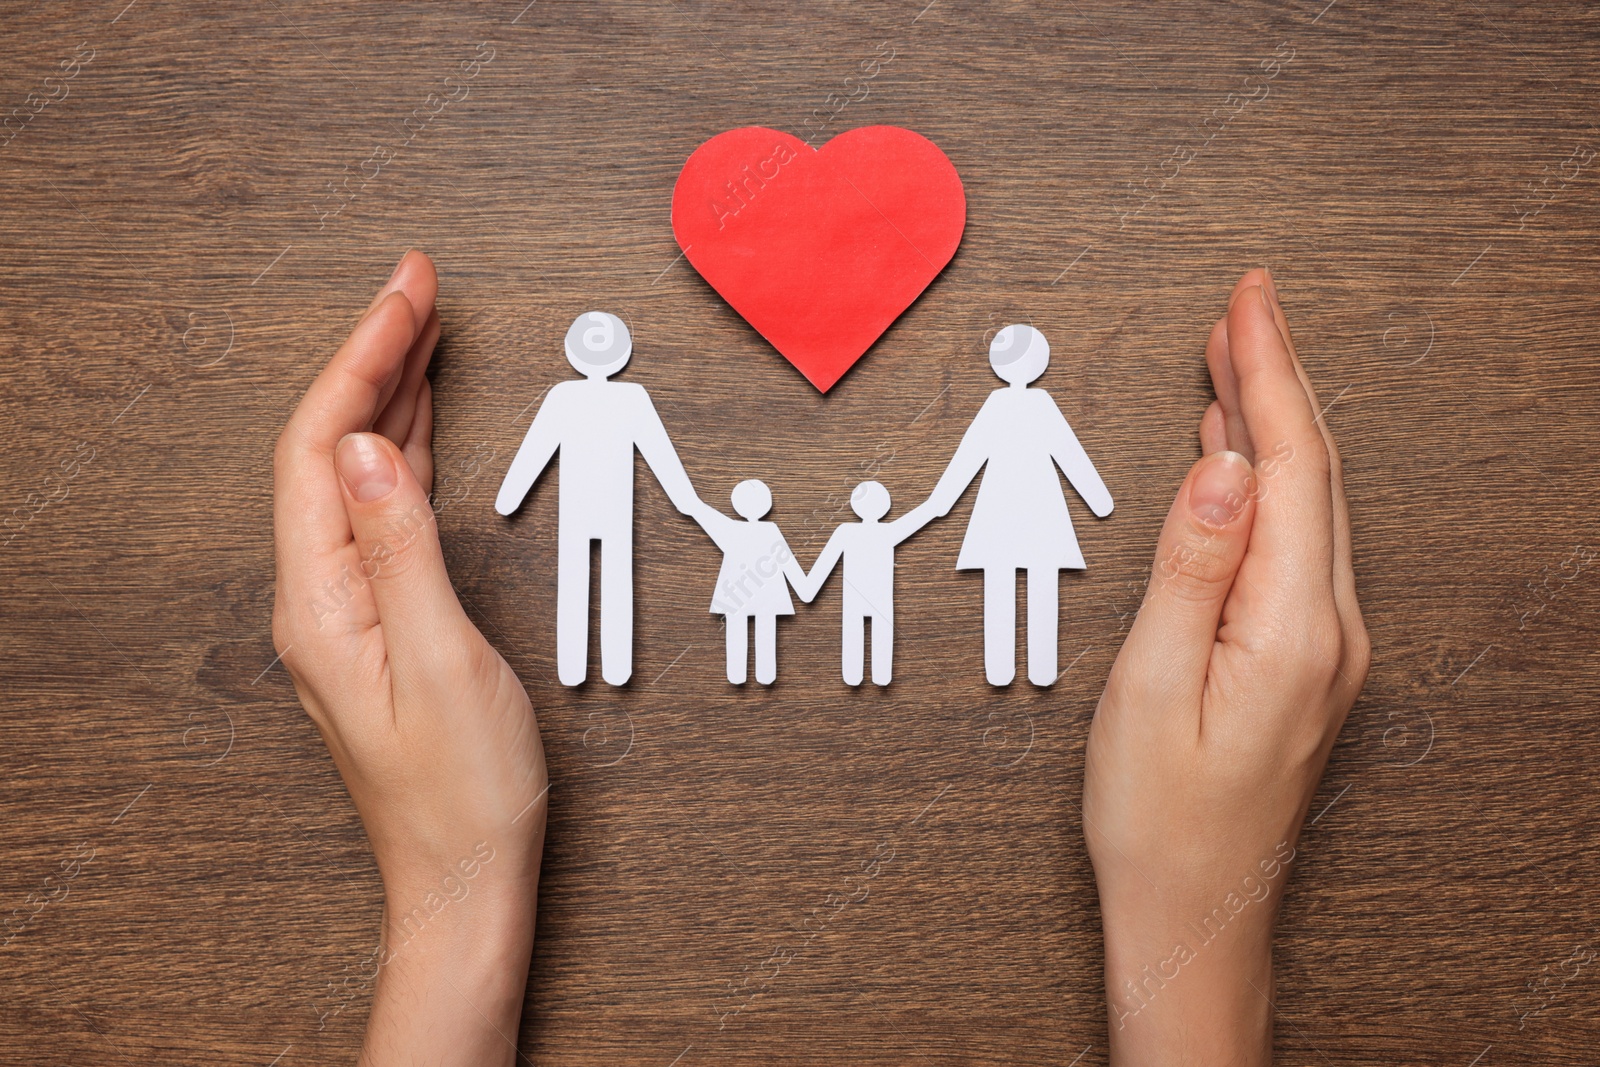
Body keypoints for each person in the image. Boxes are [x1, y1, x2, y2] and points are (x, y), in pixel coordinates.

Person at [271, 252, 1367, 1066]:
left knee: (995, 615)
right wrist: (1198, 940)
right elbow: (614, 470)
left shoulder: (659, 408)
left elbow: (675, 471)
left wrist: (453, 900)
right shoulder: (579, 400)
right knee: (599, 592)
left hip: (968, 531)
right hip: (644, 524)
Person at [495, 310, 702, 686]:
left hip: (583, 507)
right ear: (620, 355)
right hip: (612, 507)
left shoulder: (565, 396)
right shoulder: (631, 397)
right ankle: (613, 668)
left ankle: (580, 669)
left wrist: (510, 497)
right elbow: (660, 454)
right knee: (616, 578)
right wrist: (685, 500)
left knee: (576, 577)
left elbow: (536, 450)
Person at [922, 323, 1113, 687]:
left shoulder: (1009, 404)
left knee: (1006, 576)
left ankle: (1011, 668)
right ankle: (1024, 669)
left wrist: (942, 501)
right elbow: (1066, 452)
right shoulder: (1033, 404)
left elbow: (974, 453)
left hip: (1005, 505)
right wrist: (1098, 499)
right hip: (1035, 505)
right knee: (1030, 576)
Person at [796, 480, 933, 686]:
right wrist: (936, 505)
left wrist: (808, 587)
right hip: (880, 599)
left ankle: (855, 676)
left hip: (855, 599)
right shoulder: (888, 532)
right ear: (885, 506)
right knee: (880, 634)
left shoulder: (846, 531)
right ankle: (880, 676)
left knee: (854, 632)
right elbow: (922, 515)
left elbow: (824, 564)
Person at [692, 479, 808, 685]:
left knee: (739, 630)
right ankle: (763, 674)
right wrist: (804, 587)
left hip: (738, 593)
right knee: (765, 631)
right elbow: (787, 560)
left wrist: (694, 505)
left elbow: (704, 514)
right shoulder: (767, 530)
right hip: (767, 594)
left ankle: (738, 674)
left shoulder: (732, 529)